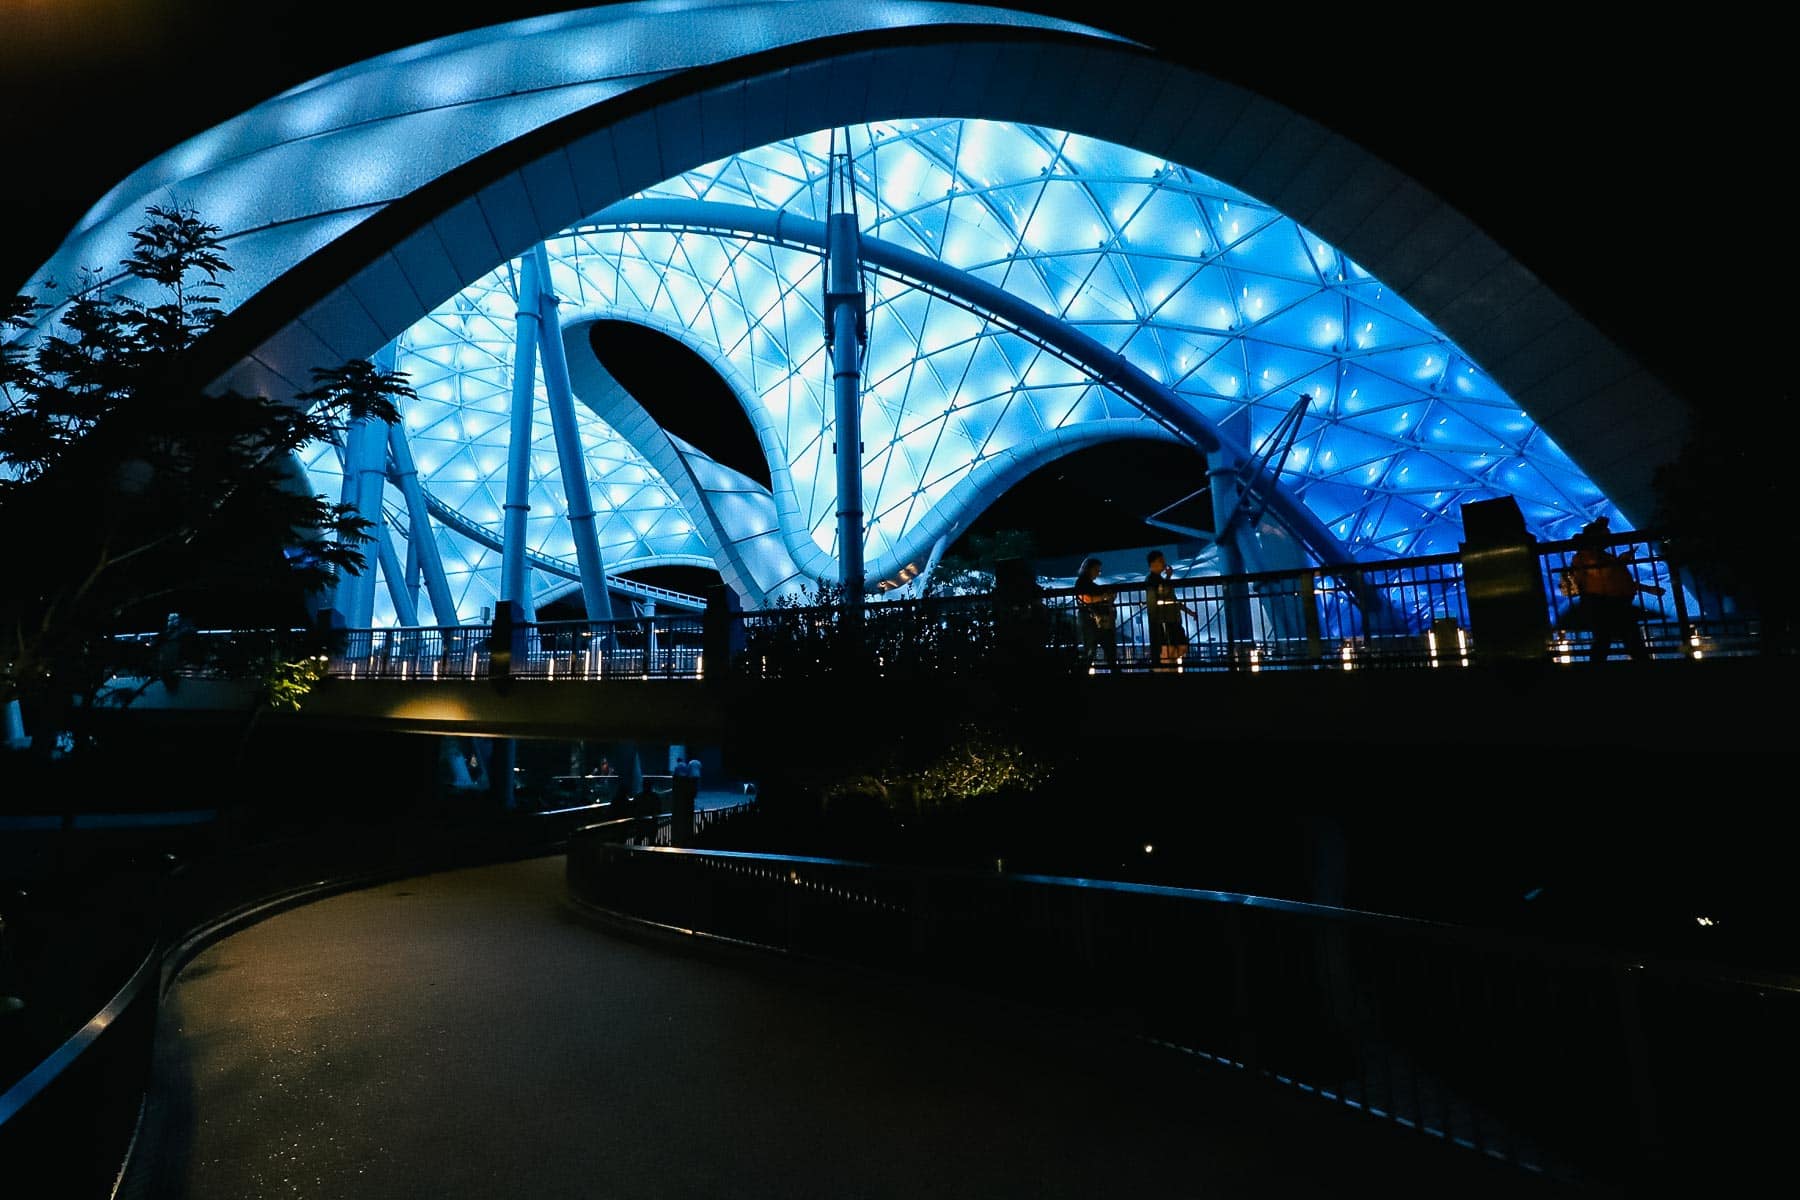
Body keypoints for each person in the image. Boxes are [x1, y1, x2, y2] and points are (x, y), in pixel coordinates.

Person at [1565, 518, 1649, 663]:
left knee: (1607, 639)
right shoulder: (1587, 557)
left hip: (1608, 602)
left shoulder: (1592, 556)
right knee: (1620, 638)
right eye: (1605, 535)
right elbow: (1603, 575)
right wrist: (1620, 562)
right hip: (1605, 602)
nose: (1609, 539)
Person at [1144, 549, 1193, 671]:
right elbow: (1163, 593)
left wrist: (1189, 612)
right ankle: (1166, 669)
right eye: (1161, 561)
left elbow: (1172, 599)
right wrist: (1169, 577)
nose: (1164, 564)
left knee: (1177, 646)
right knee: (1168, 648)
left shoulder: (1159, 579)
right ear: (1153, 563)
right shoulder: (1152, 580)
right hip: (1164, 619)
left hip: (1171, 618)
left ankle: (1168, 667)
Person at [1073, 556, 1117, 671]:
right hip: (1090, 620)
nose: (1098, 573)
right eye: (1097, 570)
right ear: (1089, 569)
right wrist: (1104, 597)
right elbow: (1086, 598)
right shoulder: (1082, 582)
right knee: (1093, 649)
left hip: (1095, 620)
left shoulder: (1085, 583)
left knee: (1097, 649)